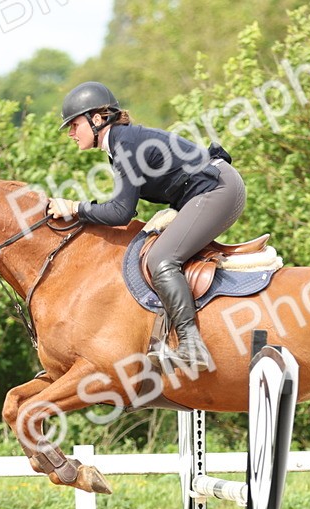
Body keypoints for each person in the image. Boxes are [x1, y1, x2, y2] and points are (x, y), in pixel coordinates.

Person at [47, 81, 246, 373]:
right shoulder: (120, 144)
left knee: (161, 259)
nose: (71, 133)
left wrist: (75, 208)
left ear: (98, 118)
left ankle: (192, 346)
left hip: (217, 189)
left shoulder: (124, 144)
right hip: (208, 190)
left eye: (75, 124)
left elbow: (121, 212)